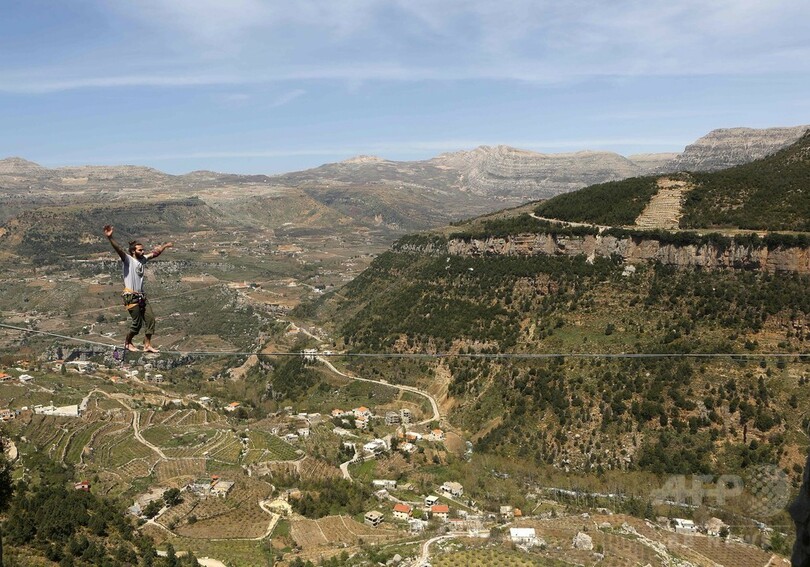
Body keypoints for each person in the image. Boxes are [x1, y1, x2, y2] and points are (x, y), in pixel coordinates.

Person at [103, 225, 173, 353]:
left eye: (143, 250)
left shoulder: (143, 260)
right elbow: (118, 249)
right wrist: (110, 238)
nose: (143, 252)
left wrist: (165, 246)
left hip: (141, 296)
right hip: (130, 296)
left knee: (150, 319)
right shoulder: (128, 260)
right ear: (133, 251)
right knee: (137, 323)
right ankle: (128, 342)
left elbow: (155, 253)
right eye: (140, 250)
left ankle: (147, 345)